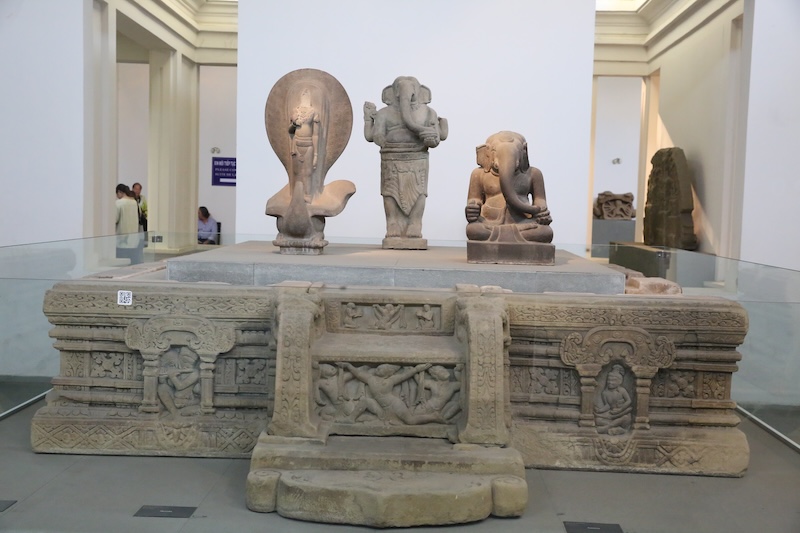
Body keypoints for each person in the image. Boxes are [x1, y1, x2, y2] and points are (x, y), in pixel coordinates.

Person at [115, 184, 143, 264]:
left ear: (119, 192)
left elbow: (114, 220)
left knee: (122, 265)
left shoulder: (118, 203)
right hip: (134, 241)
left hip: (121, 242)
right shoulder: (135, 203)